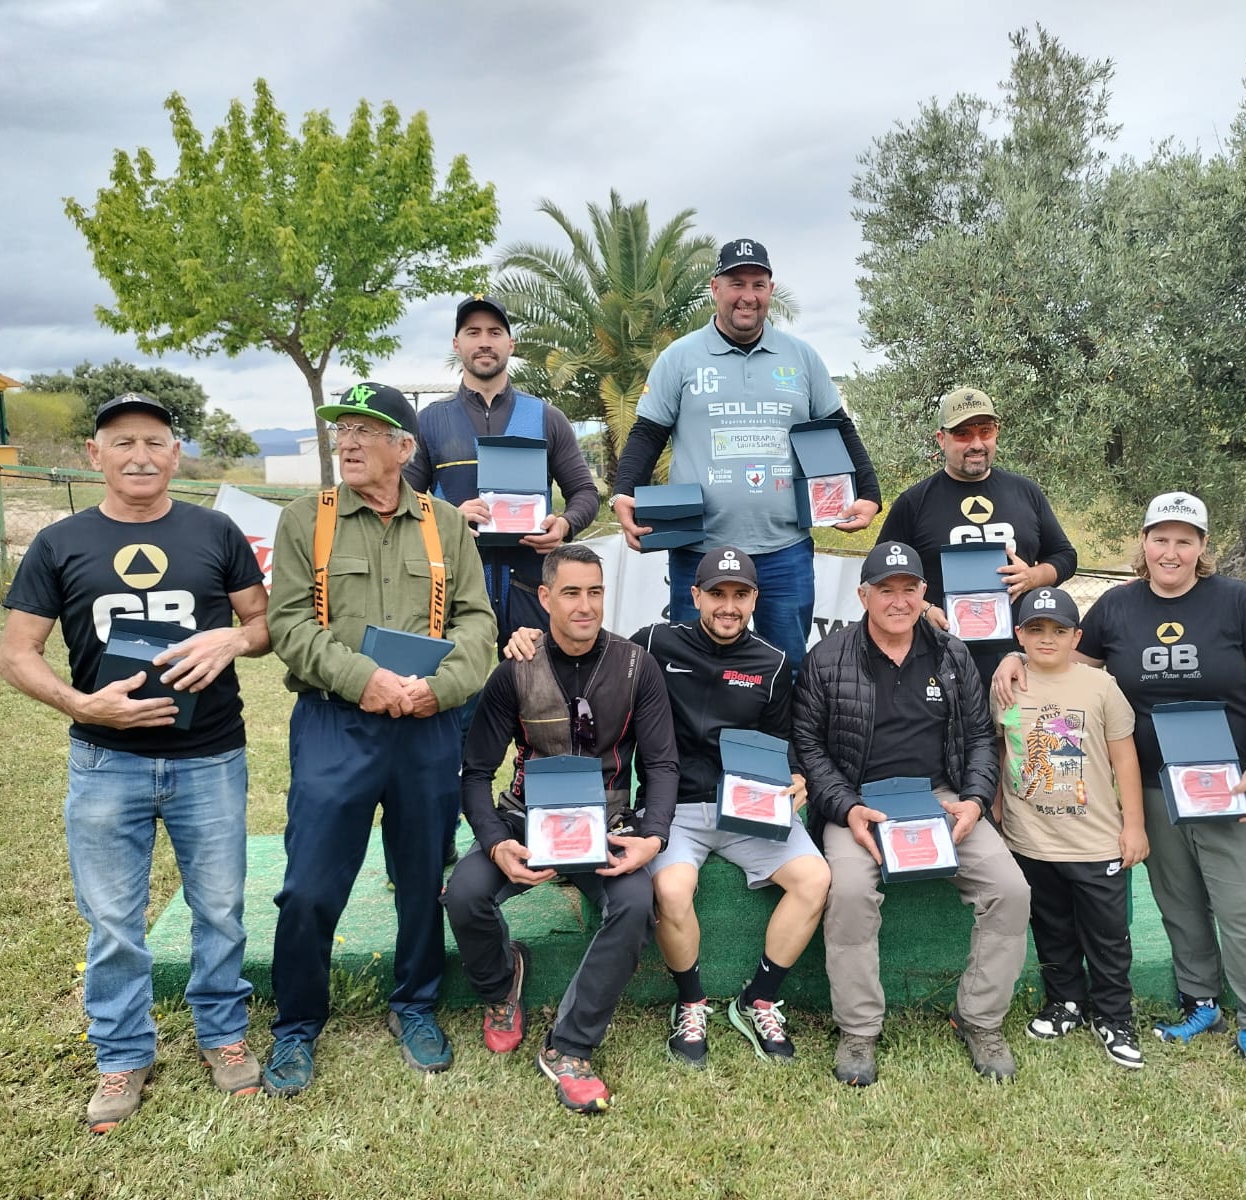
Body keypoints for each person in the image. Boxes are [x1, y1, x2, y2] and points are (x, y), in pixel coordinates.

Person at [0, 392, 271, 1132]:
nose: (140, 456)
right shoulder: (59, 542)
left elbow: (264, 623)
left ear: (176, 454)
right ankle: (122, 1053)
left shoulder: (215, 531)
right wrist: (84, 706)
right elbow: (17, 654)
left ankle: (222, 1033)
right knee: (113, 920)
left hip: (210, 756)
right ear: (95, 454)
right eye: (122, 443)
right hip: (105, 760)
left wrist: (233, 639)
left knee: (220, 907)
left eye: (155, 442)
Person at [994, 492, 1246, 1087]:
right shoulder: (1116, 607)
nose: (1170, 551)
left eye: (1184, 540)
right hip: (1155, 784)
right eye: (1160, 539)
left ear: (1202, 547)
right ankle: (1201, 1003)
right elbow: (1066, 668)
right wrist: (1012, 658)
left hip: (1229, 780)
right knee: (1178, 901)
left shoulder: (1238, 601)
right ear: (1144, 543)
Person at [501, 547, 829, 1068]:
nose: (728, 606)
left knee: (815, 878)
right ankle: (691, 1003)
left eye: (740, 595)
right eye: (716, 594)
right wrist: (534, 638)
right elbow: (587, 649)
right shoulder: (654, 643)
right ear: (694, 595)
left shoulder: (772, 663)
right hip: (674, 806)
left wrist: (795, 774)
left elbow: (782, 741)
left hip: (751, 807)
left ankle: (759, 1000)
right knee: (672, 889)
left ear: (754, 599)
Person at [261, 382, 495, 1098]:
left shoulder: (446, 524)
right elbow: (288, 624)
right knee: (308, 885)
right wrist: (362, 679)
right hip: (337, 721)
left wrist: (439, 689)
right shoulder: (306, 520)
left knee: (422, 878)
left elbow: (477, 623)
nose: (350, 441)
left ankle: (415, 1005)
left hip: (426, 725)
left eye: (367, 430)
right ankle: (297, 1022)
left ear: (405, 446)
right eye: (343, 430)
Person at [443, 543, 679, 1114]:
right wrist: (496, 843)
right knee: (465, 894)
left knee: (635, 904)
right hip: (526, 819)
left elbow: (663, 764)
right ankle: (502, 984)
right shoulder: (514, 669)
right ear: (545, 597)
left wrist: (652, 835)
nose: (585, 605)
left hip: (607, 823)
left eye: (595, 592)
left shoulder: (636, 665)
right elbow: (476, 772)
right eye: (571, 593)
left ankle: (569, 1046)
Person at [794, 541, 1030, 1087]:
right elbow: (808, 746)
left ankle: (980, 1020)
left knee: (1010, 890)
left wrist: (974, 800)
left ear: (925, 594)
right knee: (849, 892)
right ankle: (859, 1030)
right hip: (859, 801)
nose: (898, 601)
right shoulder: (827, 658)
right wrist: (847, 807)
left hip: (941, 797)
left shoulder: (952, 654)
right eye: (885, 590)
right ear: (863, 596)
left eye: (909, 590)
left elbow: (979, 737)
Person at [611, 237, 882, 672]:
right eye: (737, 283)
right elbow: (647, 433)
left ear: (770, 290)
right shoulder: (679, 358)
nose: (748, 296)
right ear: (715, 288)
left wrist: (869, 493)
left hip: (784, 550)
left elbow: (840, 427)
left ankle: (781, 723)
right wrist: (623, 491)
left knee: (786, 669)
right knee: (691, 670)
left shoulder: (802, 358)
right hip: (698, 549)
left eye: (758, 284)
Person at [991, 586, 1146, 1069]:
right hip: (1031, 839)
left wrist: (1134, 825)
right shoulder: (1007, 687)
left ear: (1077, 637)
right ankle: (1065, 1002)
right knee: (1052, 928)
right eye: (1036, 629)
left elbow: (1125, 759)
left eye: (1059, 631)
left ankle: (1114, 1016)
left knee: (1107, 936)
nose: (1047, 639)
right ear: (1019, 635)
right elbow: (1001, 750)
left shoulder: (1100, 686)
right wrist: (997, 808)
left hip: (1094, 841)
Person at [404, 294, 600, 653]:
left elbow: (585, 493)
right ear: (456, 344)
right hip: (455, 591)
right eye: (473, 332)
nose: (484, 342)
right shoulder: (429, 422)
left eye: (495, 332)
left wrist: (564, 525)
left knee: (535, 686)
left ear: (510, 344)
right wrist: (448, 519)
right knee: (456, 685)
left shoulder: (546, 418)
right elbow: (401, 502)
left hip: (531, 587)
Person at [877, 386, 1077, 683]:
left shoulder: (1026, 492)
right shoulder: (914, 502)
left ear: (997, 434)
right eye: (963, 434)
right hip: (938, 658)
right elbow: (880, 575)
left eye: (986, 431)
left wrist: (1033, 576)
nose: (976, 444)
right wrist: (924, 609)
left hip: (1018, 659)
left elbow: (1066, 557)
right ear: (941, 439)